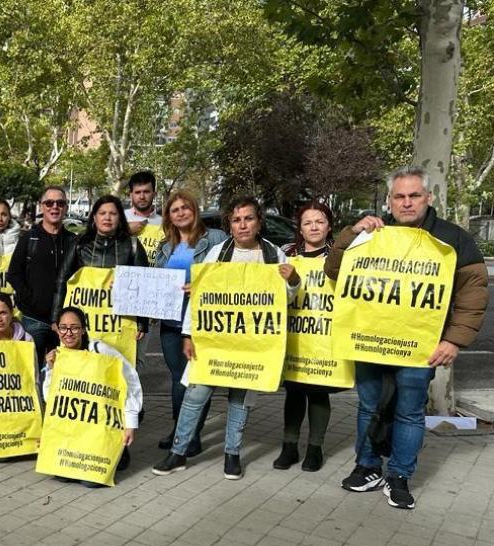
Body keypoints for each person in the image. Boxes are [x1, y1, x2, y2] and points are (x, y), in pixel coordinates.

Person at [324, 166, 488, 509]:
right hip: (369, 342)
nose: (407, 202)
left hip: (420, 347)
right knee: (369, 406)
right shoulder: (370, 233)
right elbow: (335, 271)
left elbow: (472, 292)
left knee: (409, 411)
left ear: (428, 198)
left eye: (414, 195)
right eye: (399, 196)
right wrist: (351, 234)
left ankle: (399, 475)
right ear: (389, 200)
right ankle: (367, 466)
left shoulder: (452, 238)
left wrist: (454, 340)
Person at [153, 196, 300, 481]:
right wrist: (188, 334)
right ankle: (179, 451)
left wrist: (293, 280)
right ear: (229, 225)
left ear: (259, 222)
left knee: (240, 398)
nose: (243, 225)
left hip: (252, 344)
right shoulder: (218, 254)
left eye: (249, 218)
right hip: (214, 340)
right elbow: (200, 298)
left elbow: (285, 298)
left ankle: (232, 454)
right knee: (195, 394)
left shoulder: (273, 255)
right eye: (236, 220)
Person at [152, 191, 228, 456]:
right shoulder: (165, 246)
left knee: (197, 379)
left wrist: (202, 286)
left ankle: (193, 434)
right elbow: (154, 282)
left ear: (195, 210)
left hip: (200, 322)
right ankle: (179, 430)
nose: (181, 212)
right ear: (169, 217)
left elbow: (228, 276)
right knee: (177, 379)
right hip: (171, 323)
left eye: (186, 207)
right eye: (175, 210)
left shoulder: (216, 239)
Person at [273, 200, 340, 472]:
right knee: (294, 392)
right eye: (308, 222)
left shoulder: (339, 256)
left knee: (319, 393)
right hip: (293, 336)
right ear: (300, 228)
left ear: (329, 226)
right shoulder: (285, 254)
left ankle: (315, 448)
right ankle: (289, 446)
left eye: (320, 221)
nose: (314, 227)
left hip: (325, 339)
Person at [42, 307, 142, 486]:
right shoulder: (58, 356)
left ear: (83, 329)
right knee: (62, 475)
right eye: (63, 328)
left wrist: (130, 424)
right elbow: (50, 399)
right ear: (57, 330)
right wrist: (50, 370)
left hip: (101, 425)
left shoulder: (100, 350)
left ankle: (120, 454)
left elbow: (130, 380)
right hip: (76, 428)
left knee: (91, 482)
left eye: (74, 327)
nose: (69, 333)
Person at [53, 195, 149, 357]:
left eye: (113, 213)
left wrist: (142, 323)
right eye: (102, 213)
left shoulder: (132, 245)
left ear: (120, 218)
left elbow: (144, 285)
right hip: (83, 325)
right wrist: (56, 318)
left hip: (119, 327)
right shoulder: (80, 244)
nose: (107, 217)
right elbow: (62, 280)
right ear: (94, 217)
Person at [7, 186, 77, 364]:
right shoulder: (29, 238)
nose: (55, 207)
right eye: (49, 203)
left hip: (64, 323)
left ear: (66, 207)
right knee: (32, 371)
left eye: (60, 203)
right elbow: (14, 273)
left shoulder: (73, 241)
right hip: (33, 319)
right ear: (41, 206)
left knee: (62, 374)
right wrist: (30, 299)